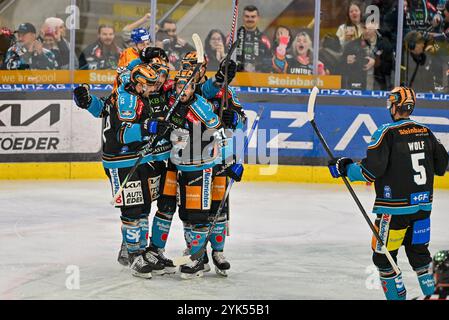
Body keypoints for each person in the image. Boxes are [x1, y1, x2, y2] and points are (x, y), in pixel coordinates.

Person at [328, 86, 449, 300]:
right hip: (423, 209)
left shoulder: (386, 132)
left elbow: (369, 172)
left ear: (394, 105)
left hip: (393, 213)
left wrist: (344, 168)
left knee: (384, 260)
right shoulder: (426, 131)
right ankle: (437, 297)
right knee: (421, 257)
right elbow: (442, 166)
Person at [73, 63, 173, 279]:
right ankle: (135, 255)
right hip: (121, 161)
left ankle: (141, 251)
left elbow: (104, 108)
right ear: (137, 83)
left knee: (144, 205)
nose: (153, 87)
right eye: (149, 84)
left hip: (140, 158)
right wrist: (149, 127)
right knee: (132, 210)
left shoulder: (137, 94)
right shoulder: (127, 99)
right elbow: (122, 135)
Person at [168, 69, 244, 279]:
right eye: (179, 85)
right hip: (185, 165)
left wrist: (235, 119)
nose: (183, 89)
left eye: (188, 84)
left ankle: (213, 254)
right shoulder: (179, 99)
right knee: (189, 212)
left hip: (211, 163)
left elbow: (230, 126)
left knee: (214, 212)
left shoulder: (218, 97)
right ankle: (196, 253)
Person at [341, 17, 394, 90]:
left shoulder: (385, 45)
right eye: (364, 28)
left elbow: (391, 68)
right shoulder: (351, 46)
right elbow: (341, 69)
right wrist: (346, 61)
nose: (366, 31)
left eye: (370, 28)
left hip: (379, 88)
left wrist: (376, 63)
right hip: (357, 88)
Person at [235, 5, 272, 73]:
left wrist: (256, 67)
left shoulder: (265, 40)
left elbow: (269, 64)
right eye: (247, 16)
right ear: (243, 17)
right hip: (235, 79)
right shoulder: (233, 37)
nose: (250, 19)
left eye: (253, 17)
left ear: (258, 18)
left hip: (256, 80)